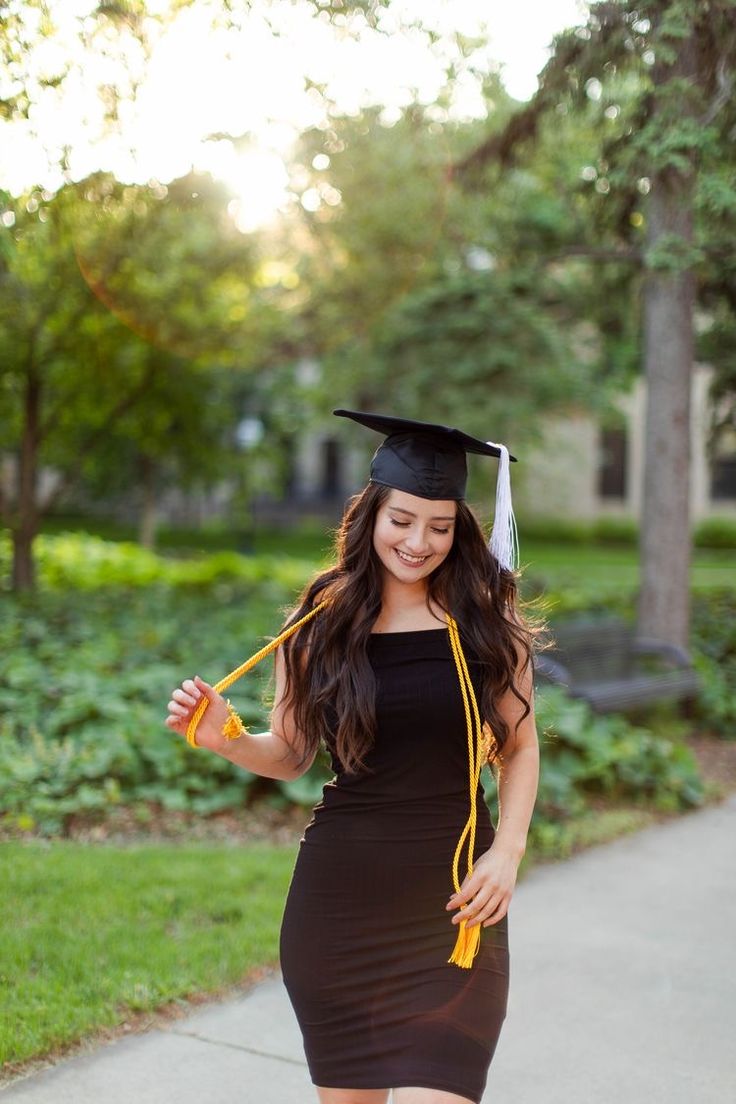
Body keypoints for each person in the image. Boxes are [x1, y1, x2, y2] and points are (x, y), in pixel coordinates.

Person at [165, 409, 541, 1104]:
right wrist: (227, 740)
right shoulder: (320, 621)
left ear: (460, 529)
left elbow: (518, 747)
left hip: (454, 907)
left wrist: (508, 851)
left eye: (440, 524)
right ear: (371, 513)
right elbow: (291, 753)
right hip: (339, 909)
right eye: (402, 519)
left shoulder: (487, 619)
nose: (419, 541)